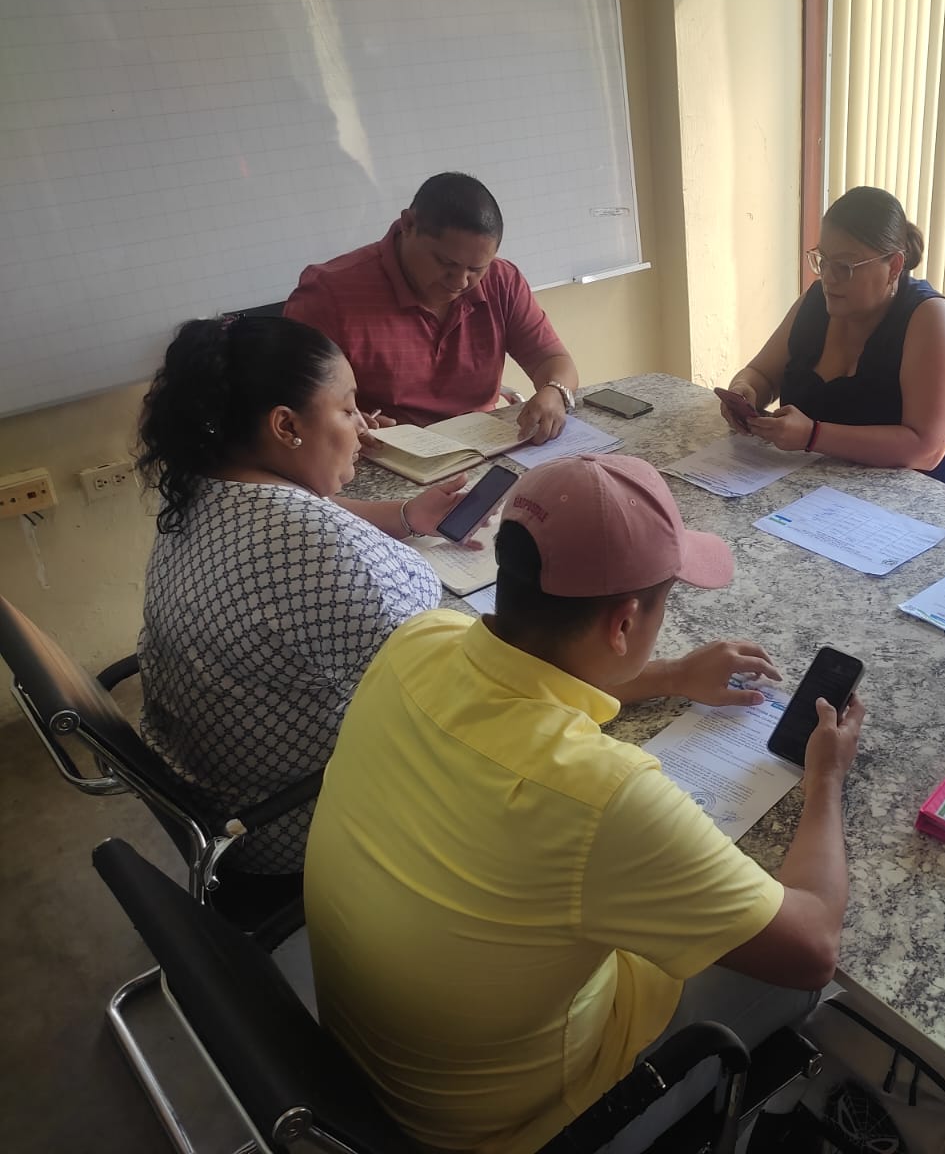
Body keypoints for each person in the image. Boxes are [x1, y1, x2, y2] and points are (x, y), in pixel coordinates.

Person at [303, 454, 864, 1153]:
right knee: (792, 982)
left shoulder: (422, 639)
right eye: (664, 602)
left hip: (370, 1075)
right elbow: (813, 947)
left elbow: (531, 676)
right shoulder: (603, 795)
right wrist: (825, 778)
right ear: (624, 624)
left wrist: (671, 675)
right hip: (505, 1131)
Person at [134, 315, 463, 876]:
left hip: (214, 795)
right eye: (348, 409)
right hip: (295, 822)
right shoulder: (327, 555)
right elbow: (459, 697)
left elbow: (308, 511)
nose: (364, 430)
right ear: (286, 425)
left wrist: (407, 515)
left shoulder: (203, 486)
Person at [721, 186, 945, 499]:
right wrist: (744, 391)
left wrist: (813, 436)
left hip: (939, 497)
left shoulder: (934, 319)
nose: (828, 277)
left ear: (894, 266)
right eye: (823, 260)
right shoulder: (818, 301)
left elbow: (926, 450)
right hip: (835, 489)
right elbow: (761, 373)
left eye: (845, 267)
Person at [285, 172, 580, 443]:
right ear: (408, 225)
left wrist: (555, 391)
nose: (461, 281)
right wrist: (350, 423)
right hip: (381, 453)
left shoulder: (501, 280)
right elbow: (297, 408)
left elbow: (552, 359)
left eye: (476, 268)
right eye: (446, 263)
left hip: (480, 445)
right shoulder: (330, 294)